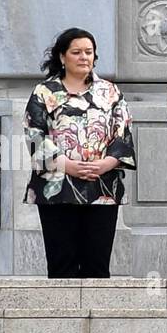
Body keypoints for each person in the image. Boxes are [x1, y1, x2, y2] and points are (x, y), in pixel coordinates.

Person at [23, 28, 135, 279]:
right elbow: (34, 133)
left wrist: (107, 163)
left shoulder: (110, 91)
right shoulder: (45, 92)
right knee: (62, 265)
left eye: (89, 52)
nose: (84, 57)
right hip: (57, 186)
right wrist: (67, 165)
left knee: (97, 265)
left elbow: (123, 131)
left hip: (102, 186)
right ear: (62, 57)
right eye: (76, 52)